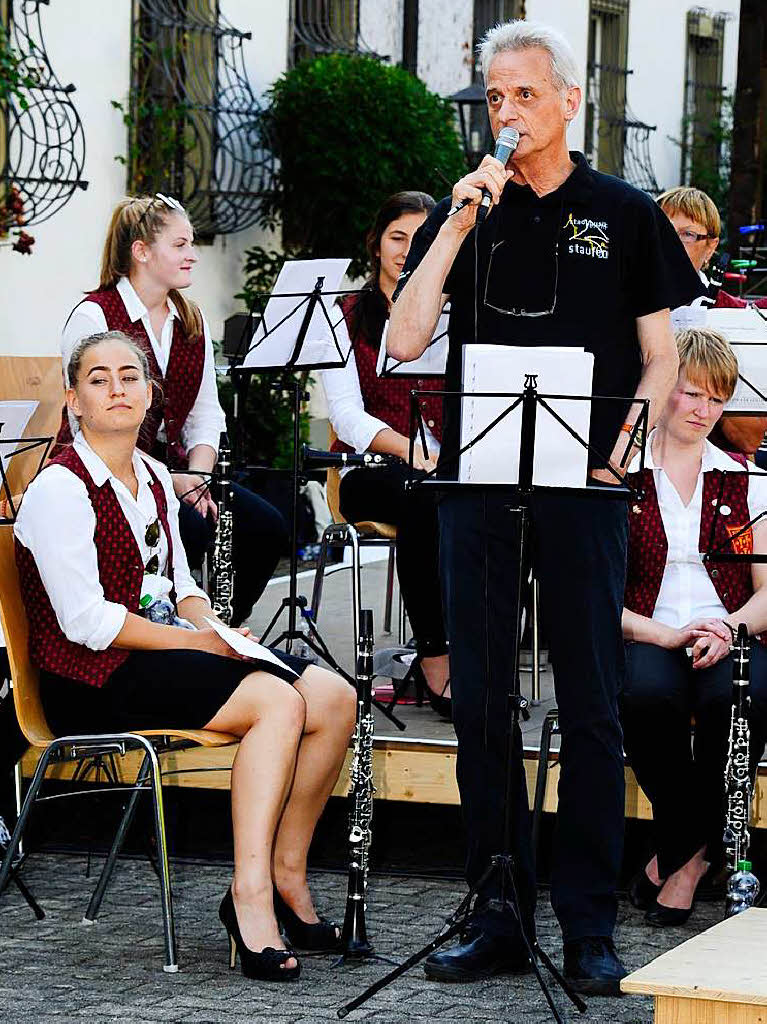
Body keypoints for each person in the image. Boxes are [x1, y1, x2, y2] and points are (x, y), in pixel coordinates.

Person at [387, 19, 703, 994]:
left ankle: (585, 924)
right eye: (493, 97)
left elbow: (659, 357)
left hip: (583, 488)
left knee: (590, 705)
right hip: (480, 487)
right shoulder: (467, 209)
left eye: (524, 94)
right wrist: (450, 225)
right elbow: (403, 342)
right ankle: (492, 907)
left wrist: (618, 456)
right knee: (481, 699)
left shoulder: (621, 211)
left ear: (569, 101)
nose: (507, 112)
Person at [14, 331, 356, 981]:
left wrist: (219, 630)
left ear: (149, 394)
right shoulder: (60, 488)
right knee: (277, 702)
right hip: (87, 677)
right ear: (73, 400)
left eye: (129, 375)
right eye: (98, 378)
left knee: (334, 698)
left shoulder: (148, 475)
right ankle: (247, 897)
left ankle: (286, 875)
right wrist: (195, 643)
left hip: (159, 653)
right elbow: (87, 623)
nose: (116, 387)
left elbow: (179, 588)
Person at [53, 194, 288, 626]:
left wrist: (197, 478)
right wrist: (171, 482)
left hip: (181, 471)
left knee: (266, 526)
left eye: (191, 244)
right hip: (106, 471)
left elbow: (205, 414)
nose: (192, 256)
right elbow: (86, 424)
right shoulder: (94, 316)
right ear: (141, 252)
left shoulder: (190, 318)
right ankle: (175, 633)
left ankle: (223, 629)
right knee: (192, 530)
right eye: (180, 246)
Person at [622, 327, 767, 926]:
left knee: (746, 697)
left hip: (729, 629)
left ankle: (679, 861)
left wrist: (728, 627)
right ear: (661, 391)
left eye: (717, 397)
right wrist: (659, 634)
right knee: (647, 693)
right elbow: (588, 594)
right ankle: (695, 848)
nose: (704, 409)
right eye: (690, 393)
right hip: (643, 629)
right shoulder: (618, 473)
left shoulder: (746, 478)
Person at [320, 191, 450, 717]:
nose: (407, 249)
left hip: (444, 468)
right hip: (366, 470)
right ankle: (438, 661)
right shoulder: (345, 315)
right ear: (377, 244)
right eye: (398, 237)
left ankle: (481, 653)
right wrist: (412, 449)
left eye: (422, 239)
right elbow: (347, 418)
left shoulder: (453, 311)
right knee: (424, 497)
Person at [657, 186, 767, 460]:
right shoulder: (625, 306)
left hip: (715, 467)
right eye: (664, 231)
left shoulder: (736, 316)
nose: (673, 244)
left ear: (711, 247)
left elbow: (749, 438)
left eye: (688, 235)